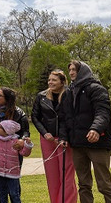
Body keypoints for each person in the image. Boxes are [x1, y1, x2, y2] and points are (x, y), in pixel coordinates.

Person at [58, 60, 111, 203]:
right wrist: (63, 137)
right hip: (78, 144)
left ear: (83, 71)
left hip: (98, 143)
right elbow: (64, 118)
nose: (71, 72)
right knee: (84, 185)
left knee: (104, 185)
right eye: (70, 70)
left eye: (75, 69)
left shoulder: (97, 89)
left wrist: (95, 129)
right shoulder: (68, 93)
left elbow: (103, 112)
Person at [31, 69, 77, 203]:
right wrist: (44, 133)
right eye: (49, 80)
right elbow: (35, 117)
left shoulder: (69, 94)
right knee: (52, 176)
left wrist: (65, 137)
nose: (50, 82)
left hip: (65, 140)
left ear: (62, 82)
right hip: (47, 140)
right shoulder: (41, 96)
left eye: (54, 80)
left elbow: (68, 118)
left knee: (67, 175)